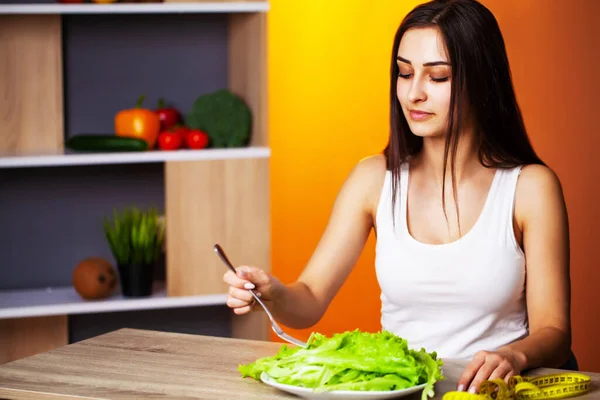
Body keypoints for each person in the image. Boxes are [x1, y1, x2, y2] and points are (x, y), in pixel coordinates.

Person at [223, 0, 573, 394]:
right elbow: (309, 300)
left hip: (491, 394)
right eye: (404, 73)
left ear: (482, 81)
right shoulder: (373, 179)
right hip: (403, 390)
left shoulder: (529, 187)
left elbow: (555, 332)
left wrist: (515, 355)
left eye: (437, 77)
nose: (413, 93)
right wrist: (272, 293)